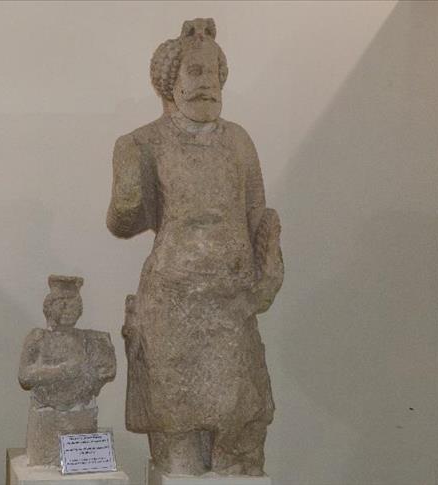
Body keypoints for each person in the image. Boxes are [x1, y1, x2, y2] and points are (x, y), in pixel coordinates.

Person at [107, 19, 284, 476]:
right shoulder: (143, 142)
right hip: (173, 298)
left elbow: (257, 215)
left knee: (238, 442)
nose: (207, 83)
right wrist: (126, 194)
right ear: (170, 82)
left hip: (231, 299)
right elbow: (123, 223)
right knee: (178, 451)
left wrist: (268, 273)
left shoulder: (238, 141)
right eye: (196, 72)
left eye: (214, 73)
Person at [18, 275, 116, 466]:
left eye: (73, 304)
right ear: (48, 307)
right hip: (48, 412)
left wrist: (90, 375)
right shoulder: (38, 337)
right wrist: (62, 370)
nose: (67, 309)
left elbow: (107, 371)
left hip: (80, 412)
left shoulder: (90, 340)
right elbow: (24, 376)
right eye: (61, 303)